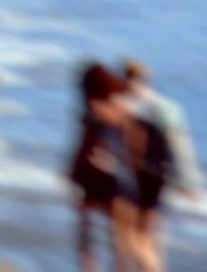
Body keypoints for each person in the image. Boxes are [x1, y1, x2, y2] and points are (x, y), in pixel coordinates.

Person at [124, 60, 202, 270]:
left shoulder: (123, 107)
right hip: (158, 176)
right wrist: (188, 182)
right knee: (153, 239)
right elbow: (181, 147)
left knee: (135, 239)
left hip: (137, 177)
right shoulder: (167, 107)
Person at [69, 62, 139, 272]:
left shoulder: (92, 110)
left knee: (87, 240)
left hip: (97, 177)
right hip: (124, 177)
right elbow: (134, 147)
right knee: (122, 242)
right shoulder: (125, 111)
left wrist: (73, 173)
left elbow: (85, 147)